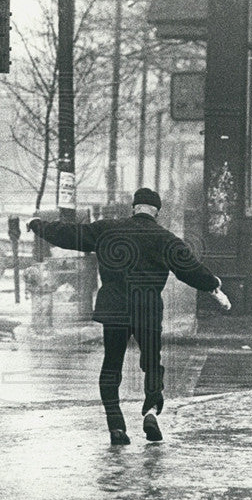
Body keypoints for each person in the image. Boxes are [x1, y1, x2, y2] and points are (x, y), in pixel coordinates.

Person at [27, 188, 230, 445]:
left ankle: (116, 426)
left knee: (112, 365)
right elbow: (190, 270)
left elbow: (70, 235)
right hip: (147, 308)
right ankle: (151, 411)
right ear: (156, 211)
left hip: (114, 308)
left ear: (134, 207)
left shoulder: (107, 229)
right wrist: (213, 285)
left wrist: (38, 225)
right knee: (152, 365)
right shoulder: (165, 238)